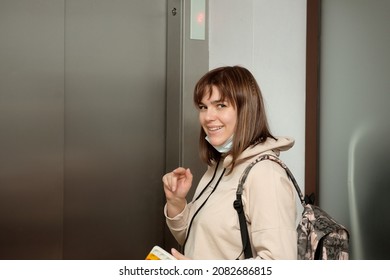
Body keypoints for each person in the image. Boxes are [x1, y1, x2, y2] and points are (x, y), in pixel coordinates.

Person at [162, 65, 297, 260]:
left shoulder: (265, 174)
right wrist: (176, 202)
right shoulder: (220, 166)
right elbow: (197, 239)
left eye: (221, 105)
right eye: (203, 107)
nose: (208, 117)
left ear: (246, 110)